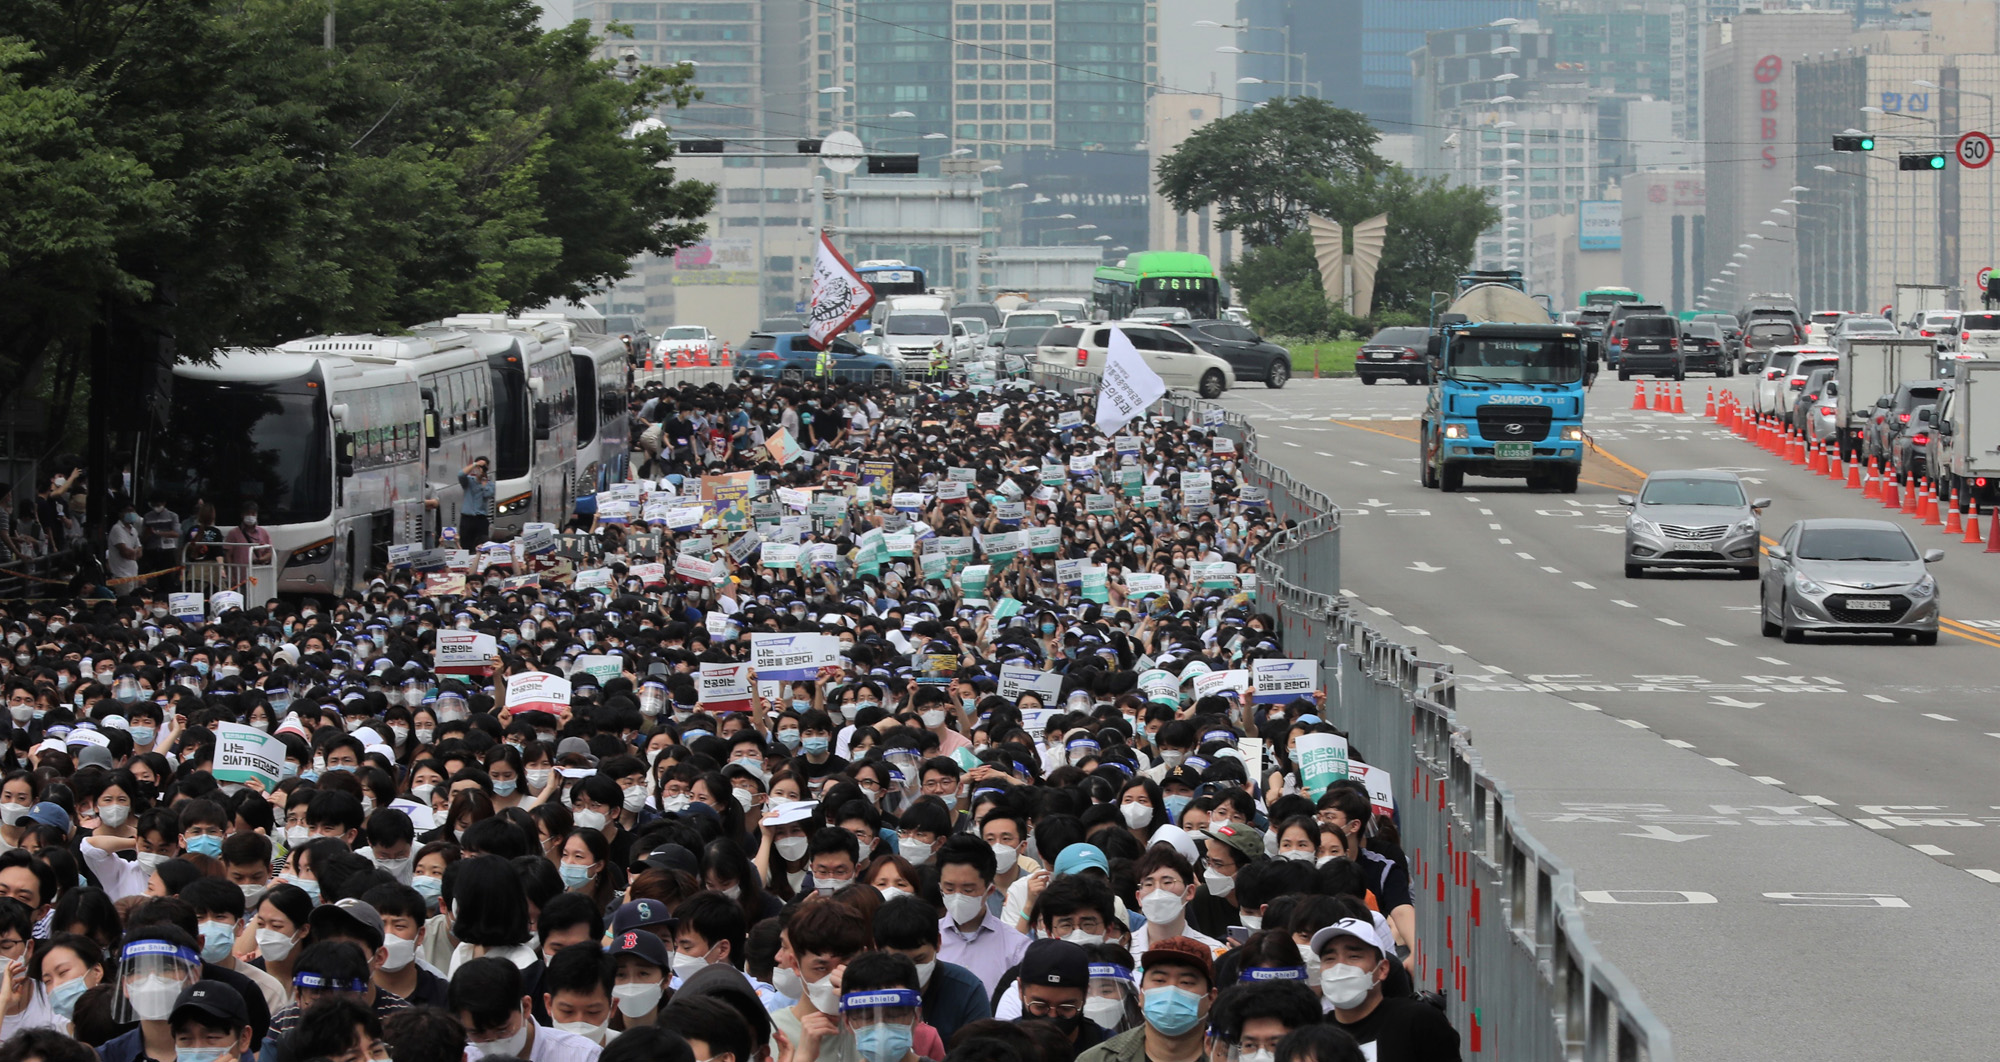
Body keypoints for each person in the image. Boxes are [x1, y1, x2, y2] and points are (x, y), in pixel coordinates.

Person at [1310, 921, 1458, 1062]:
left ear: (1382, 969)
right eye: (1330, 959)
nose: (1339, 967)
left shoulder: (1417, 1021)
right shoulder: (1312, 1034)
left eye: (1353, 956)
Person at [1074, 938, 1216, 1062]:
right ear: (1141, 994)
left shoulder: (1232, 1056)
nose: (1171, 990)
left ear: (1211, 998)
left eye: (1186, 982)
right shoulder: (1098, 1059)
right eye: (1159, 980)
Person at [872, 895, 986, 1042]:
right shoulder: (863, 990)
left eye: (919, 959)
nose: (910, 970)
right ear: (876, 949)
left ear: (938, 943)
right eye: (898, 961)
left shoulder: (967, 990)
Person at [450, 956, 603, 1062]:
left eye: (503, 1030)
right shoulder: (464, 1058)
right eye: (477, 1033)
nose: (493, 1043)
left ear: (526, 1006)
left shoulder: (582, 1056)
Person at [458, 459, 495, 546]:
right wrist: (475, 464)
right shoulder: (469, 481)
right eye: (479, 467)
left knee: (482, 545)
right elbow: (460, 475)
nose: (480, 470)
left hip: (481, 519)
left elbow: (488, 494)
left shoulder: (490, 484)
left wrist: (483, 482)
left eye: (483, 468)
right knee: (465, 545)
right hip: (467, 519)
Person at [106, 504, 143, 583]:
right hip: (120, 574)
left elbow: (140, 552)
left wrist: (133, 552)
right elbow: (125, 553)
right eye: (128, 511)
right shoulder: (117, 529)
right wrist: (135, 552)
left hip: (133, 573)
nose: (131, 513)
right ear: (120, 514)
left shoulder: (133, 530)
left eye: (132, 511)